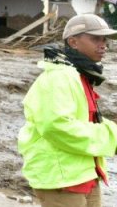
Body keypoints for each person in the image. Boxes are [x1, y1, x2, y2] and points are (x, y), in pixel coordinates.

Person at [18, 13, 117, 207]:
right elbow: (57, 126)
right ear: (73, 41)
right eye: (95, 38)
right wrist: (110, 138)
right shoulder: (59, 77)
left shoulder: (78, 74)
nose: (103, 44)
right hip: (61, 179)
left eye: (104, 39)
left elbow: (86, 120)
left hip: (84, 173)